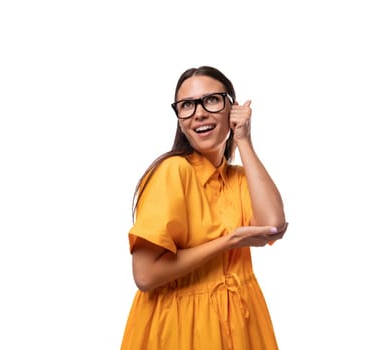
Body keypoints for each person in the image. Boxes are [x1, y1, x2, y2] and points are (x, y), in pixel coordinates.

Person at [120, 65, 288, 350]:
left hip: (241, 325)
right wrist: (230, 241)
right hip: (181, 329)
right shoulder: (174, 171)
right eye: (186, 105)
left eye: (211, 100)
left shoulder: (237, 178)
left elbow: (273, 225)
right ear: (180, 119)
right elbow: (145, 275)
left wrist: (243, 139)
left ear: (231, 108)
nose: (198, 113)